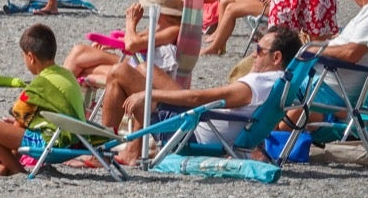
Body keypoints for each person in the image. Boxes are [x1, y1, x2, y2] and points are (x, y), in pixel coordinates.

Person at [120, 25, 302, 157]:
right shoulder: (281, 82)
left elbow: (198, 98)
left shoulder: (255, 85)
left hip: (189, 134)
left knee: (122, 73)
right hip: (205, 125)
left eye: (259, 50)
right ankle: (128, 148)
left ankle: (106, 147)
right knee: (144, 69)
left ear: (276, 57)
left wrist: (149, 95)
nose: (254, 54)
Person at [0, 23, 86, 177]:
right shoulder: (67, 75)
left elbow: (18, 126)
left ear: (31, 57)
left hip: (54, 143)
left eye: (23, 56)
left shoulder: (39, 85)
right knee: (13, 128)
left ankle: (14, 170)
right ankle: (0, 167)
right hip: (77, 140)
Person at [63, 0, 183, 87]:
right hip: (137, 66)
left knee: (80, 60)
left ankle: (57, 97)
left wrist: (131, 22)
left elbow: (132, 45)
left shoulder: (172, 30)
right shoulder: (161, 27)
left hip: (141, 76)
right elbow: (135, 40)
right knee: (80, 53)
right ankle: (60, 95)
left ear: (157, 9)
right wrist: (109, 44)